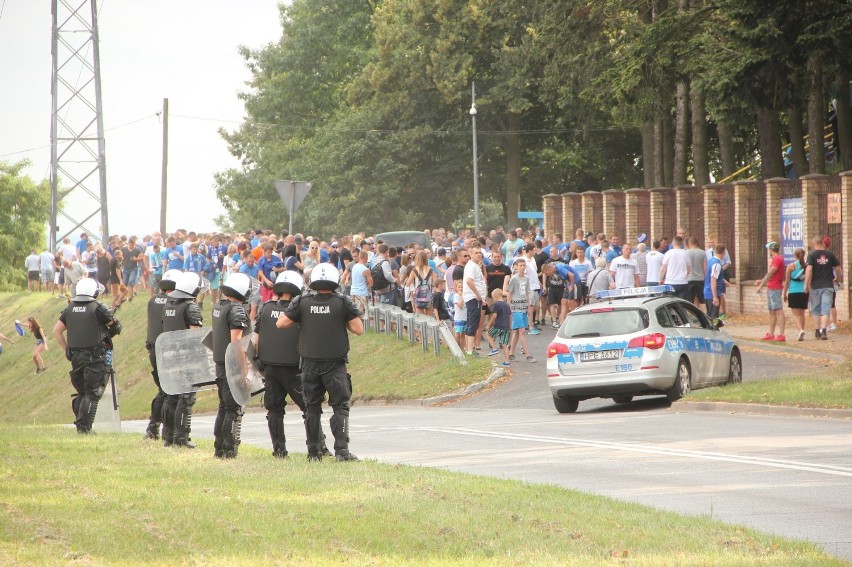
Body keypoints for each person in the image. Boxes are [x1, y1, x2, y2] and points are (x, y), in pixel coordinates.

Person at [276, 263, 364, 462]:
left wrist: (303, 318)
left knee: (312, 407)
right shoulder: (342, 302)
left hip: (309, 364)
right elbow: (358, 329)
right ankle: (342, 451)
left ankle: (313, 452)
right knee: (340, 406)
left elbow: (281, 323)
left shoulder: (302, 302)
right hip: (335, 364)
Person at [256, 271, 330, 458]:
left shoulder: (265, 308)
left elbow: (256, 340)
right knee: (309, 408)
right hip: (295, 368)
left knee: (274, 410)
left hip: (270, 368)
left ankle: (279, 450)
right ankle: (318, 447)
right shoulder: (299, 309)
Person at [52, 278, 117, 434]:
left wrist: (67, 349)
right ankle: (84, 430)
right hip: (95, 357)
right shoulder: (98, 308)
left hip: (76, 358)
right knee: (93, 393)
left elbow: (57, 331)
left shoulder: (69, 309)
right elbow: (115, 326)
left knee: (82, 393)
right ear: (93, 292)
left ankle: (81, 426)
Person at [160, 271, 205, 447]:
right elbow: (195, 335)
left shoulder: (168, 305)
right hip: (187, 358)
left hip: (170, 356)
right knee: (185, 398)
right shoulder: (190, 307)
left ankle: (168, 437)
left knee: (171, 397)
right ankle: (181, 438)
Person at [210, 272, 252, 458]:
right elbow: (237, 342)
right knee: (233, 408)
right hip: (231, 366)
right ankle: (229, 449)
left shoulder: (219, 306)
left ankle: (219, 447)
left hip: (220, 363)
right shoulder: (236, 310)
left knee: (223, 406)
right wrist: (244, 371)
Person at [143, 269, 181, 441]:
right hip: (168, 351)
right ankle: (168, 430)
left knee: (163, 391)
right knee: (170, 393)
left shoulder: (153, 300)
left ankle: (153, 426)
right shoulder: (174, 302)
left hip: (153, 350)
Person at [804, 235, 841, 340]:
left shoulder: (811, 255)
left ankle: (817, 331)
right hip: (828, 286)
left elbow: (809, 270)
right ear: (822, 243)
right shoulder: (830, 255)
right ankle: (824, 331)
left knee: (816, 309)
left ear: (814, 243)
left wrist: (806, 284)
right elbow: (838, 267)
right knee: (826, 309)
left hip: (815, 286)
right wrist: (837, 278)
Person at [505, 257, 536, 363]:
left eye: (524, 265)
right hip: (515, 307)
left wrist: (528, 306)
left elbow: (527, 293)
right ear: (516, 267)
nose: (522, 267)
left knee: (518, 332)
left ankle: (511, 353)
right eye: (520, 266)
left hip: (523, 306)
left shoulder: (526, 278)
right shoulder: (514, 278)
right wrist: (509, 306)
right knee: (522, 330)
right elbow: (509, 292)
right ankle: (527, 354)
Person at [755, 241, 786, 342]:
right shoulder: (776, 259)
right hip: (771, 286)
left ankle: (781, 334)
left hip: (775, 288)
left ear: (771, 250)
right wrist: (761, 281)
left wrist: (761, 285)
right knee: (772, 311)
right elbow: (771, 275)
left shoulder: (777, 259)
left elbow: (771, 273)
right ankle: (771, 333)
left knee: (778, 310)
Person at [462, 245, 487, 355]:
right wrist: (477, 294)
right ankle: (470, 350)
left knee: (471, 322)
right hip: (473, 298)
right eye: (476, 252)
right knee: (473, 323)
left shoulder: (476, 265)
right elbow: (469, 281)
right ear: (471, 254)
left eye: (479, 252)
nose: (478, 254)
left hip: (474, 298)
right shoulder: (471, 266)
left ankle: (468, 348)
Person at [783, 247, 808, 342]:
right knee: (802, 314)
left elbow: (787, 282)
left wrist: (784, 293)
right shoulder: (806, 267)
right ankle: (802, 330)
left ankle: (800, 330)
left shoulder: (790, 266)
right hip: (803, 292)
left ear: (795, 255)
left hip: (793, 292)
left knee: (795, 314)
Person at [485, 288, 512, 367]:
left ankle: (494, 348)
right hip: (506, 327)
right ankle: (507, 362)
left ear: (495, 296)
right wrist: (509, 326)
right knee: (504, 344)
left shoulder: (497, 304)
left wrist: (489, 324)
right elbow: (510, 316)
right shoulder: (507, 305)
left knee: (488, 334)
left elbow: (494, 315)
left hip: (498, 326)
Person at [704, 245, 726, 323]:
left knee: (710, 315)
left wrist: (723, 280)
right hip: (712, 293)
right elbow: (713, 279)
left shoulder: (711, 260)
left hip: (707, 291)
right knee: (713, 317)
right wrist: (715, 297)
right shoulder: (717, 264)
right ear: (723, 253)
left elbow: (712, 275)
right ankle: (713, 332)